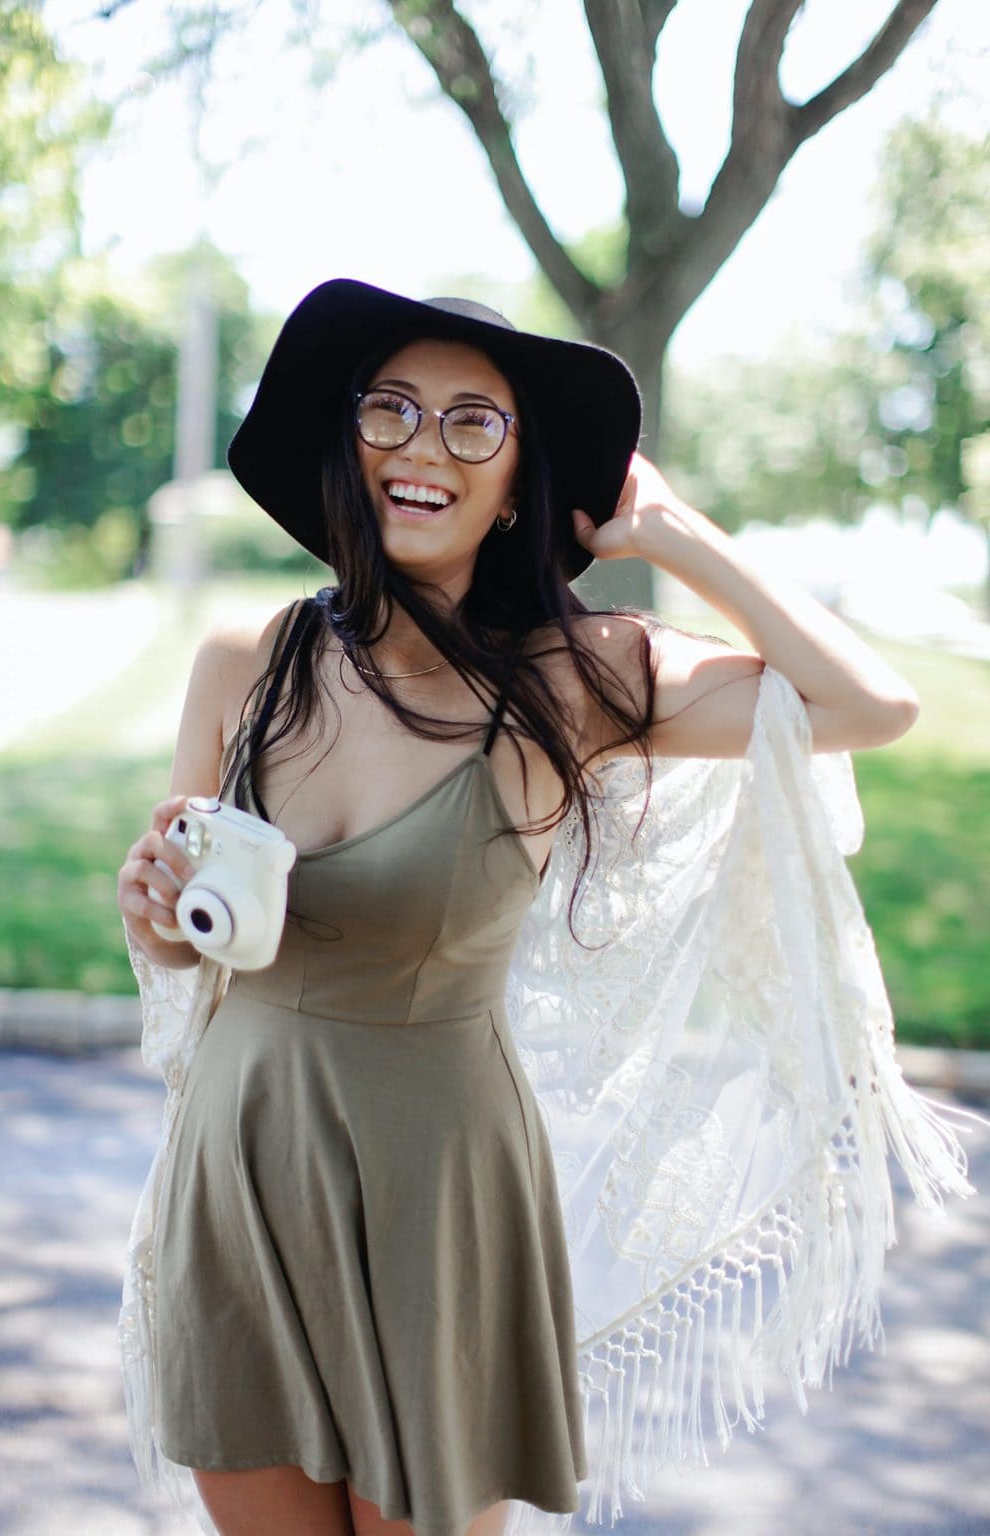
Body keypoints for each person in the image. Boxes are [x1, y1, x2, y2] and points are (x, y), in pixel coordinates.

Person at [116, 279, 971, 1536]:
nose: (423, 447)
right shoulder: (246, 665)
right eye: (392, 410)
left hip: (436, 1187)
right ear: (347, 443)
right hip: (240, 1168)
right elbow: (183, 935)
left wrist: (673, 533)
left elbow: (866, 706)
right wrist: (148, 910)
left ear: (517, 480)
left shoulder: (570, 682)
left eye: (475, 422)